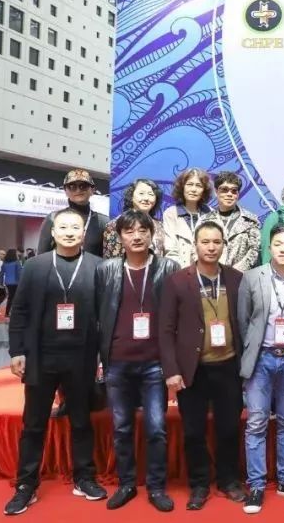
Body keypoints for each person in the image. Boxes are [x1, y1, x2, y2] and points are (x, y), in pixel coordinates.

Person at [4, 208, 107, 516]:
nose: (69, 232)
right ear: (52, 232)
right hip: (41, 356)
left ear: (84, 233)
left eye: (75, 227)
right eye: (63, 227)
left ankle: (84, 477)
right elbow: (19, 311)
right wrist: (17, 351)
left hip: (81, 356)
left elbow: (105, 316)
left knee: (81, 421)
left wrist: (103, 357)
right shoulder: (35, 266)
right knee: (34, 423)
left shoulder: (98, 266)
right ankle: (26, 484)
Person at [96, 210, 180, 512]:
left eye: (143, 230)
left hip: (154, 362)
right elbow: (98, 316)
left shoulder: (168, 267)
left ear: (151, 234)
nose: (136, 236)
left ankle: (156, 487)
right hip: (118, 361)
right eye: (129, 231)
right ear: (120, 237)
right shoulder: (106, 270)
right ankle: (126, 484)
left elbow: (176, 316)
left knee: (156, 428)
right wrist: (99, 359)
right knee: (121, 428)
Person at [158, 221, 246, 510]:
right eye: (205, 242)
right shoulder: (177, 281)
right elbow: (165, 329)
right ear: (195, 245)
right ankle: (198, 484)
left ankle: (229, 480)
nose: (211, 247)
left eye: (216, 242)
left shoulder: (235, 279)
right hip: (192, 369)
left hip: (229, 367)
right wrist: (171, 370)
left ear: (224, 245)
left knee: (229, 428)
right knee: (193, 431)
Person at [237, 224, 284, 514]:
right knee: (256, 421)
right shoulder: (252, 276)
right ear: (269, 248)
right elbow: (243, 320)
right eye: (278, 243)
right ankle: (256, 486)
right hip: (261, 358)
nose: (283, 248)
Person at [198, 171, 262, 273]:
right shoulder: (204, 220)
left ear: (238, 194)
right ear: (216, 192)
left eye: (234, 191)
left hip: (240, 276)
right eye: (224, 190)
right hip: (210, 275)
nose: (229, 194)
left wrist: (233, 273)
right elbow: (198, 248)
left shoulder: (251, 221)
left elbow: (254, 250)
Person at [37, 169, 110, 257]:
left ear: (92, 190)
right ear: (65, 191)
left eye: (83, 186)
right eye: (72, 186)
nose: (78, 190)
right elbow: (41, 256)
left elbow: (108, 258)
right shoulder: (53, 218)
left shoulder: (103, 222)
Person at [160, 168, 213, 268]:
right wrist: (184, 273)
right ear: (182, 187)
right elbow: (171, 250)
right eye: (189, 184)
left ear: (204, 190)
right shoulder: (171, 213)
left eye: (198, 185)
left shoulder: (211, 213)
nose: (193, 189)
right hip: (181, 271)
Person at [103, 178, 167, 258]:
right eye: (141, 193)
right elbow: (110, 259)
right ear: (131, 196)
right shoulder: (115, 224)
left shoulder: (160, 225)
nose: (146, 198)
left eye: (151, 194)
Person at [0, 249, 22, 316]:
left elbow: (2, 273)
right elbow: (19, 273)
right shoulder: (17, 262)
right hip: (16, 282)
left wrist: (1, 282)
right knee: (16, 297)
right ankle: (14, 312)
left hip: (7, 282)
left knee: (10, 297)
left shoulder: (5, 263)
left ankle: (7, 312)